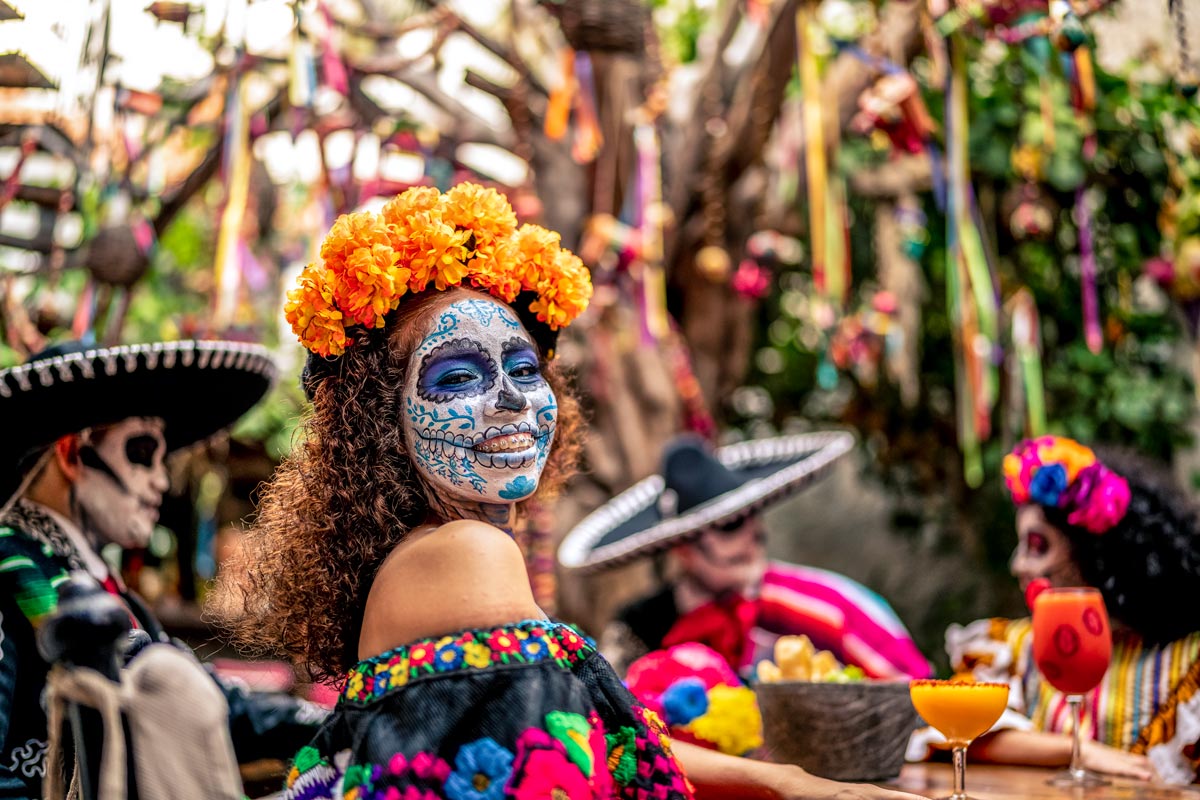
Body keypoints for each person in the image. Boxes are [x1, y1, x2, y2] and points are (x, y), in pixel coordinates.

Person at [218, 183, 928, 800]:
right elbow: (577, 765)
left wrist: (788, 782)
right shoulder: (463, 551)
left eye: (524, 370)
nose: (509, 403)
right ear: (382, 423)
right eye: (458, 378)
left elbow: (608, 740)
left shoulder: (434, 552)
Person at [0, 339, 326, 798]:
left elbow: (204, 700)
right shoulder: (10, 573)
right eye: (141, 451)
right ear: (73, 454)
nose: (162, 479)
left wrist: (331, 720)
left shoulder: (109, 590)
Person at [907, 435, 1200, 784]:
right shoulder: (1014, 647)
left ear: (1096, 554)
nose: (1018, 565)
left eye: (1037, 546)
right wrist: (1077, 750)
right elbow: (957, 735)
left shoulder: (1185, 664)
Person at [558, 434, 931, 681]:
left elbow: (912, 690)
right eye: (731, 524)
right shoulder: (638, 627)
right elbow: (618, 722)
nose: (754, 535)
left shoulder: (821, 606)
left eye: (753, 515)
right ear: (685, 549)